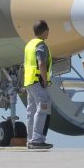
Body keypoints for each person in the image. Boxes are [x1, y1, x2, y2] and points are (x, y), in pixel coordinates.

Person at [21, 19, 55, 149]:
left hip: (29, 81)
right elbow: (41, 63)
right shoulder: (41, 45)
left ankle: (30, 139)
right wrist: (45, 80)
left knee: (31, 110)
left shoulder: (29, 45)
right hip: (37, 81)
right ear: (45, 31)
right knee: (43, 107)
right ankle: (37, 139)